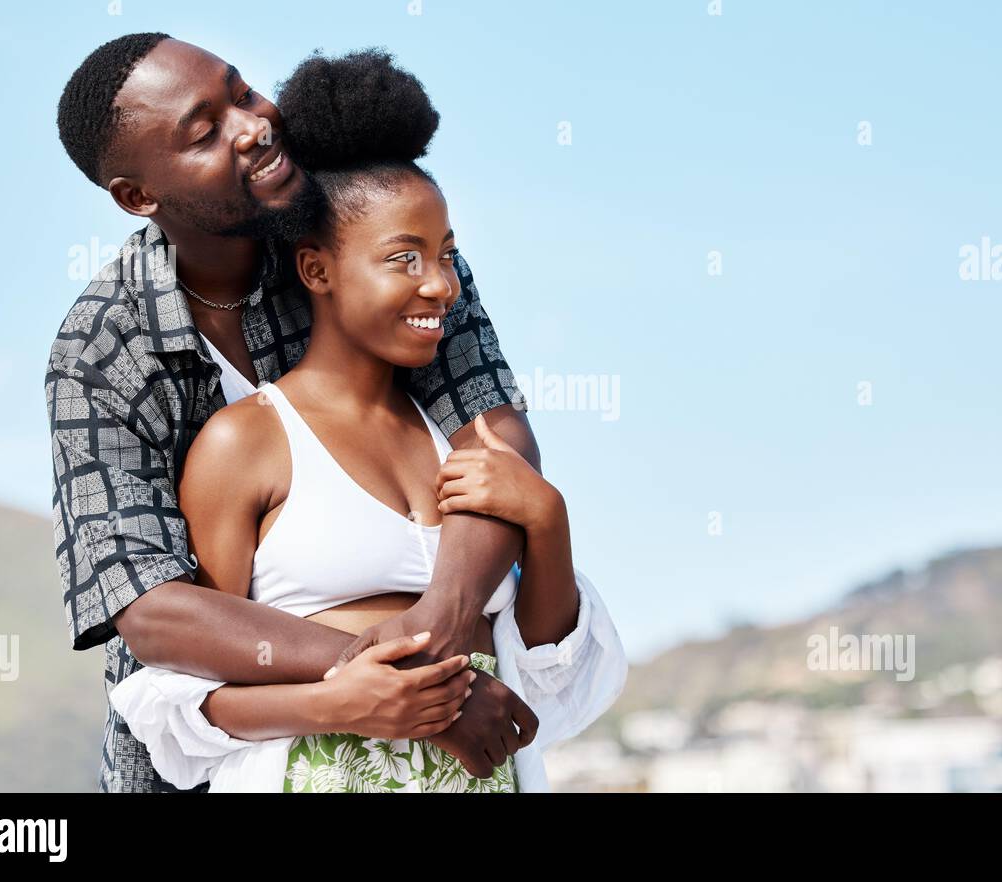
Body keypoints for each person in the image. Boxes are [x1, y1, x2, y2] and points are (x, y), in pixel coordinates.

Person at [107, 49, 626, 792]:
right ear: (317, 271)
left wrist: (548, 520)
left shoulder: (463, 438)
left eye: (447, 256)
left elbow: (549, 681)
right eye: (403, 258)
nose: (442, 285)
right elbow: (186, 692)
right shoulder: (245, 444)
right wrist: (336, 700)